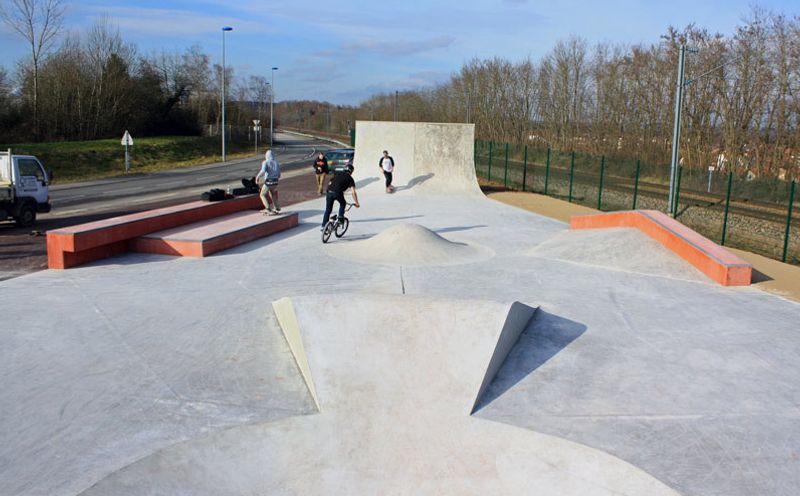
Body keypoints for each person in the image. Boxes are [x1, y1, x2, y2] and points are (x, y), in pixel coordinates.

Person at [322, 164, 359, 229]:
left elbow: (331, 180)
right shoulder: (350, 179)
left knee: (328, 210)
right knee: (343, 204)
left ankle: (324, 226)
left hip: (329, 191)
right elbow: (353, 192)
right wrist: (356, 202)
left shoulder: (338, 173)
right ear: (351, 171)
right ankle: (340, 218)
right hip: (337, 192)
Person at [256, 149, 281, 214]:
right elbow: (279, 174)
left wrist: (257, 177)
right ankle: (277, 207)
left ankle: (268, 209)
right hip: (275, 182)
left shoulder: (266, 162)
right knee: (272, 194)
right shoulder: (276, 162)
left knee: (262, 194)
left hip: (269, 182)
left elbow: (263, 171)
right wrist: (276, 178)